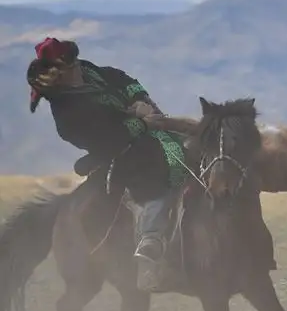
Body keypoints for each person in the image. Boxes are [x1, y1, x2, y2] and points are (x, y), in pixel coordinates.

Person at [27, 37, 189, 293]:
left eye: (74, 65)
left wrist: (140, 100)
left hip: (153, 131)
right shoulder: (67, 116)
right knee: (155, 181)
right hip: (121, 152)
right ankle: (150, 245)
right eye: (68, 71)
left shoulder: (90, 71)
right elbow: (107, 139)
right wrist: (142, 124)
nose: (76, 71)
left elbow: (123, 80)